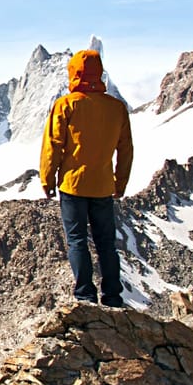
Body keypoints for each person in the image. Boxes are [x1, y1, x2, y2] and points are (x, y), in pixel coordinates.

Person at [40, 49, 133, 307]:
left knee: (77, 240)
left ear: (74, 73)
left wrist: (47, 180)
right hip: (103, 186)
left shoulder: (67, 105)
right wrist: (120, 182)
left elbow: (53, 146)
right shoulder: (117, 108)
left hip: (72, 185)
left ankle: (85, 294)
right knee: (106, 243)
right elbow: (125, 148)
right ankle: (113, 296)